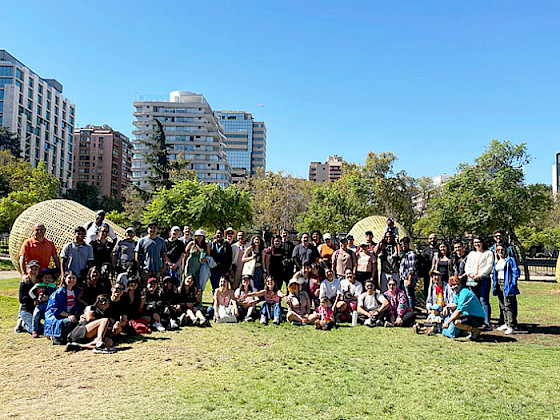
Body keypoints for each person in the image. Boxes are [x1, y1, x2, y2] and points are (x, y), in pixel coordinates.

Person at [442, 276, 486, 341]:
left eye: (455, 285)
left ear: (460, 284)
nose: (453, 287)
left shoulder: (465, 293)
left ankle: (474, 331)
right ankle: (465, 331)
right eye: (451, 286)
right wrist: (447, 307)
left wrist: (447, 322)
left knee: (456, 322)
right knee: (453, 319)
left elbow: (459, 310)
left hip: (477, 317)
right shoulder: (457, 293)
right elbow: (455, 304)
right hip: (468, 315)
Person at [465, 236, 494, 330]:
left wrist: (480, 275)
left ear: (482, 242)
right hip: (472, 279)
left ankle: (486, 322)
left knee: (483, 300)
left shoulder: (488, 253)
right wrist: (470, 274)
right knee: (475, 300)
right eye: (475, 242)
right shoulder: (471, 254)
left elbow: (489, 266)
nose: (477, 244)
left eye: (479, 242)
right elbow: (467, 266)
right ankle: (476, 321)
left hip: (483, 279)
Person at [44, 271, 80, 344]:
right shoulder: (59, 293)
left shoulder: (75, 292)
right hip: (57, 317)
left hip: (69, 314)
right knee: (69, 323)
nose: (72, 280)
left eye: (74, 278)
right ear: (65, 279)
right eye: (69, 278)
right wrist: (69, 315)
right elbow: (55, 310)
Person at [493, 244, 520, 335]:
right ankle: (506, 322)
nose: (500, 251)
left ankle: (511, 325)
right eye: (498, 250)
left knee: (509, 305)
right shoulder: (497, 261)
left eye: (502, 249)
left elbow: (515, 272)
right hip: (499, 283)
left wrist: (512, 284)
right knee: (502, 305)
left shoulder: (510, 260)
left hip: (507, 283)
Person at [135, 221, 170, 286]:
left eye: (154, 228)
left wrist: (163, 267)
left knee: (156, 287)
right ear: (147, 229)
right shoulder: (142, 241)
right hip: (145, 269)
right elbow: (137, 254)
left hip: (157, 269)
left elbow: (164, 255)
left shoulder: (161, 241)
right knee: (144, 286)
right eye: (150, 228)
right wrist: (138, 266)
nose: (152, 230)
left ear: (157, 230)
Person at [14, 260, 41, 334]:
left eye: (36, 269)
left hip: (36, 310)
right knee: (35, 330)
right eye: (31, 269)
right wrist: (33, 300)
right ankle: (22, 324)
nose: (33, 271)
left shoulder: (40, 282)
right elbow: (22, 299)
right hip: (26, 310)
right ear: (27, 269)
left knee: (41, 329)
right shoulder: (25, 283)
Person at [29, 268, 57, 337]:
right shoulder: (38, 285)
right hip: (40, 304)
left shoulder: (53, 286)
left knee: (50, 316)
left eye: (49, 277)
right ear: (42, 278)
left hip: (50, 305)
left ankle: (49, 330)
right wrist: (35, 299)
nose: (47, 279)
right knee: (36, 315)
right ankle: (34, 330)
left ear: (52, 279)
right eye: (45, 277)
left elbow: (56, 295)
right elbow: (30, 292)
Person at [399, 237, 418, 310]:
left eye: (405, 244)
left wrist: (409, 280)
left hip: (408, 278)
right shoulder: (404, 254)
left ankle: (411, 309)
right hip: (403, 278)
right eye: (402, 244)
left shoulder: (411, 254)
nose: (403, 246)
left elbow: (412, 268)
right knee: (406, 294)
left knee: (409, 294)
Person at [421, 233, 439, 299]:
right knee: (427, 290)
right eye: (431, 238)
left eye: (434, 238)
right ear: (428, 240)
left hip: (437, 274)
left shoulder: (439, 250)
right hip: (427, 274)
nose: (432, 240)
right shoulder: (425, 250)